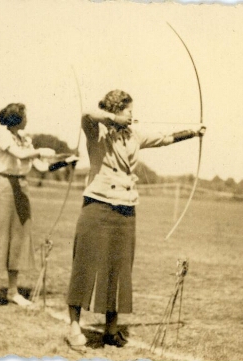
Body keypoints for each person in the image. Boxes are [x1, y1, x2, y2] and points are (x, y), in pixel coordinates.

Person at [65, 90, 206, 351]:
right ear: (116, 109)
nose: (132, 114)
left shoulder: (134, 135)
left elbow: (166, 138)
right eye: (128, 110)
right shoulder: (97, 133)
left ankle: (111, 328)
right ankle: (74, 327)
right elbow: (87, 114)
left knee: (119, 270)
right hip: (97, 205)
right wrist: (111, 119)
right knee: (84, 265)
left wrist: (194, 132)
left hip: (126, 210)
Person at [0, 103, 56, 309]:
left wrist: (66, 161)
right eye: (24, 115)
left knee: (19, 238)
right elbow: (20, 156)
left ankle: (13, 291)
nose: (27, 119)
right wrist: (39, 151)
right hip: (3, 186)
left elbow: (42, 167)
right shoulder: (2, 135)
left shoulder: (25, 139)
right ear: (16, 118)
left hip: (22, 188)